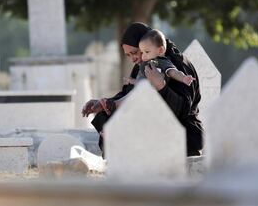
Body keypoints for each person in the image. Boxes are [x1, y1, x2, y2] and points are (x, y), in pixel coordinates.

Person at [82, 22, 203, 157]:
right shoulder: (143, 64)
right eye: (128, 55)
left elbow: (183, 109)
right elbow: (128, 94)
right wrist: (103, 104)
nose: (133, 58)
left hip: (181, 135)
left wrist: (161, 87)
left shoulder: (177, 64)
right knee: (107, 115)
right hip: (150, 127)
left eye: (134, 52)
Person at [124, 29, 195, 86]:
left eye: (147, 52)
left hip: (154, 90)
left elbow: (173, 72)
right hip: (143, 85)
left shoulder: (161, 61)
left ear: (160, 50)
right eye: (142, 52)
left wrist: (183, 78)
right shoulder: (146, 62)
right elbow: (141, 79)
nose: (143, 56)